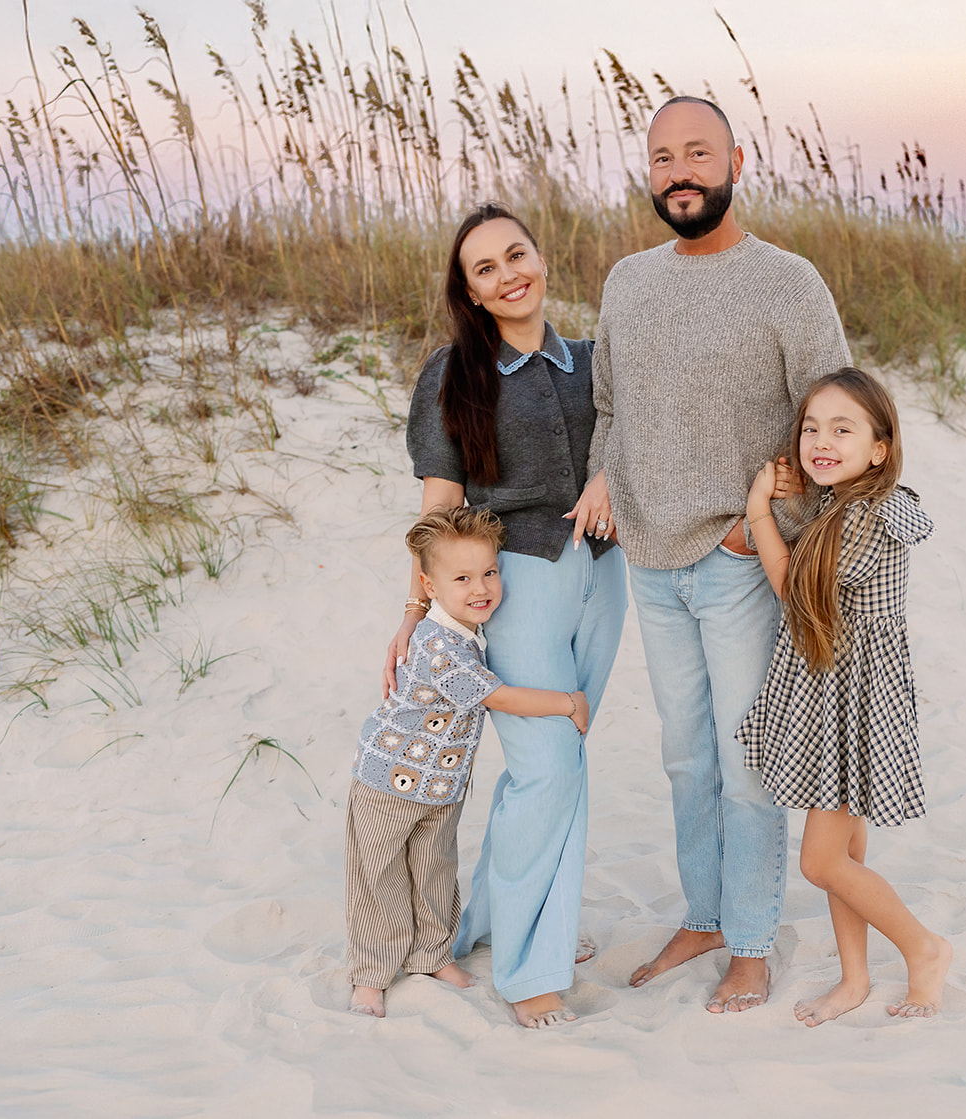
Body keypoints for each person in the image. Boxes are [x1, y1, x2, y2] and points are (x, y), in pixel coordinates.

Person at [570, 95, 852, 1013]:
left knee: (743, 759)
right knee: (685, 756)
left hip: (737, 561)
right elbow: (610, 405)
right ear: (648, 173)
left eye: (697, 153)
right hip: (648, 558)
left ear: (736, 158)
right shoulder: (627, 280)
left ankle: (752, 942)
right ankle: (703, 912)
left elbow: (834, 420)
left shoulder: (789, 282)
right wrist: (604, 474)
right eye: (662, 158)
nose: (679, 172)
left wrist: (759, 522)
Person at [388, 203, 628, 1029]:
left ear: (540, 257)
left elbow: (632, 443)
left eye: (515, 254)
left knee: (565, 755)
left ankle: (489, 920)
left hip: (606, 572)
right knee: (547, 765)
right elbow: (440, 508)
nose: (507, 274)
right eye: (484, 269)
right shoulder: (453, 373)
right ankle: (531, 970)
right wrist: (417, 612)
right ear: (471, 292)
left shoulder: (596, 359)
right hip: (518, 578)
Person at [737, 368, 952, 1026]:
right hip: (840, 692)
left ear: (879, 447)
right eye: (811, 428)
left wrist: (757, 514)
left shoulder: (866, 516)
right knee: (847, 854)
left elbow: (795, 596)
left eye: (843, 428)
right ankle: (854, 977)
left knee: (821, 860)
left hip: (852, 698)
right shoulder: (844, 506)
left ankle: (925, 947)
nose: (821, 440)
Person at [347, 506, 591, 1019]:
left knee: (436, 871)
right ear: (429, 586)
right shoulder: (438, 644)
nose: (481, 588)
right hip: (387, 783)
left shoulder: (466, 631)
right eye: (462, 578)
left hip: (439, 788)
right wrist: (568, 702)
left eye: (489, 572)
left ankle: (432, 955)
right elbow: (497, 697)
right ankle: (371, 975)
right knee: (380, 878)